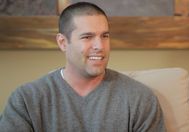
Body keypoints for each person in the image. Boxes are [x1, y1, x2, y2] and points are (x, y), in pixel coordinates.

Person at [0, 2, 165, 132]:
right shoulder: (26, 100)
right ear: (63, 43)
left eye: (105, 36)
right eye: (87, 37)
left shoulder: (139, 98)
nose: (100, 46)